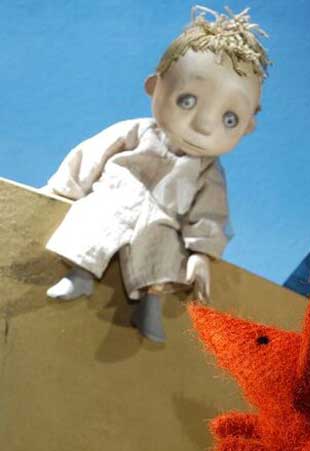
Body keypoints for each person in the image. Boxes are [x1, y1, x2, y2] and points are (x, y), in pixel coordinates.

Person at [43, 6, 270, 342]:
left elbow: (210, 213)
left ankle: (150, 305)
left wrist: (201, 253)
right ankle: (81, 274)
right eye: (187, 100)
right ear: (155, 86)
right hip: (115, 197)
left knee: (164, 251)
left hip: (163, 219)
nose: (203, 126)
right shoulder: (136, 132)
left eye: (230, 119)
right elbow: (91, 154)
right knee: (93, 218)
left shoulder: (208, 171)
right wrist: (63, 188)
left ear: (248, 126)